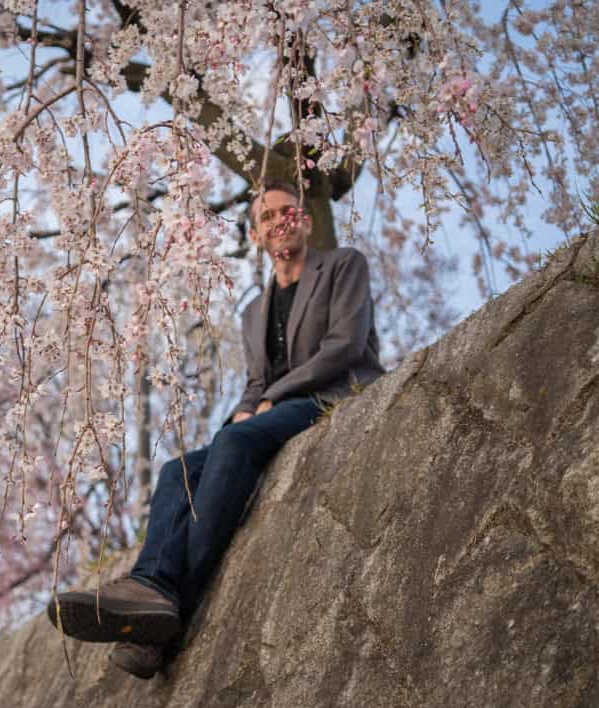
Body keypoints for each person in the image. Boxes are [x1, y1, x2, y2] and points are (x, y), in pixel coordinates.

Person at [46, 179, 386, 678]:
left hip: (331, 395)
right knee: (177, 470)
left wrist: (270, 399)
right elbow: (255, 382)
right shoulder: (253, 311)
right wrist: (248, 408)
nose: (278, 222)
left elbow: (345, 345)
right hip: (274, 413)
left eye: (286, 212)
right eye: (266, 217)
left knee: (235, 440)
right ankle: (152, 589)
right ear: (255, 236)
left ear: (306, 220)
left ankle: (164, 601)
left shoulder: (342, 265)